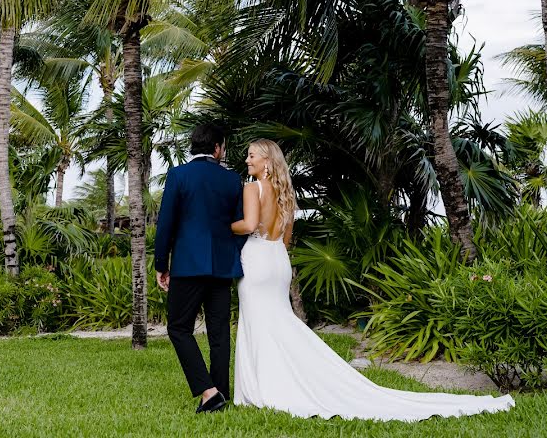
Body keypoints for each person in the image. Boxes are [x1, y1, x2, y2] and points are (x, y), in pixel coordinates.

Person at [231, 138, 516, 421]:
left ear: (266, 161)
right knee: (279, 322)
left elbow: (249, 225)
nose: (247, 160)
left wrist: (222, 224)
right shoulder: (285, 194)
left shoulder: (252, 188)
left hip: (257, 258)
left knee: (259, 322)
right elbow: (287, 238)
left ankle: (266, 386)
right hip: (278, 258)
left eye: (252, 155)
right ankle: (288, 378)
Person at [154, 123, 244, 413]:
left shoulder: (178, 175)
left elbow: (165, 223)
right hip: (221, 266)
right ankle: (221, 393)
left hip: (188, 266)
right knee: (219, 333)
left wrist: (161, 264)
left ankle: (209, 392)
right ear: (217, 148)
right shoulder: (232, 180)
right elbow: (239, 225)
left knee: (179, 328)